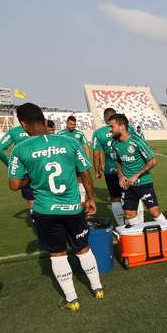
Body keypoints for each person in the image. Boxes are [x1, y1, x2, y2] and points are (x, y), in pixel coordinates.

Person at [7, 103, 103, 312]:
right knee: (83, 248)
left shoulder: (21, 149)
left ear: (23, 124)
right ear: (43, 119)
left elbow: (14, 185)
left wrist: (29, 179)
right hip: (72, 207)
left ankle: (72, 299)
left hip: (45, 210)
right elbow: (85, 172)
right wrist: (91, 199)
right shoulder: (69, 142)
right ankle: (97, 288)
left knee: (58, 254)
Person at [109, 114, 167, 227]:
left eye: (112, 126)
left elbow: (152, 161)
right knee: (129, 214)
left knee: (154, 212)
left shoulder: (136, 141)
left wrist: (136, 175)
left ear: (121, 126)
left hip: (144, 183)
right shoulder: (114, 143)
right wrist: (121, 176)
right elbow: (118, 161)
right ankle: (140, 238)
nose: (110, 129)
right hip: (127, 186)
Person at [0, 120, 34, 212]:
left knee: (31, 197)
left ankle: (35, 219)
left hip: (24, 170)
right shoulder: (37, 128)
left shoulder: (14, 131)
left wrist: (11, 166)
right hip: (41, 167)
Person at [57, 115, 92, 203]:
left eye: (74, 124)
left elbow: (85, 145)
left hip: (78, 161)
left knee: (80, 179)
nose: (72, 126)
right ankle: (69, 198)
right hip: (65, 162)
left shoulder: (79, 134)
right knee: (67, 179)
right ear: (66, 123)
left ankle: (82, 200)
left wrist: (86, 159)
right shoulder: (60, 134)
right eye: (71, 124)